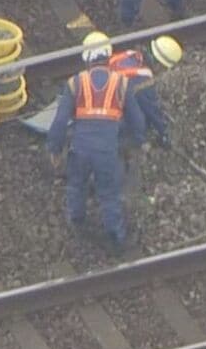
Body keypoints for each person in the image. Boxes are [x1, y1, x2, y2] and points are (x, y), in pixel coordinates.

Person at [47, 31, 146, 254]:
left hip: (80, 148)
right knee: (109, 193)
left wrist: (54, 148)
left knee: (77, 185)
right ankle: (116, 237)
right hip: (106, 151)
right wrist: (137, 142)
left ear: (86, 58)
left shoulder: (75, 83)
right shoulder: (122, 82)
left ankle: (77, 221)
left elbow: (61, 121)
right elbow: (137, 119)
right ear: (108, 56)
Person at [108, 35, 184, 149]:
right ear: (159, 64)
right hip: (105, 117)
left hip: (92, 98)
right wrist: (164, 133)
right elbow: (151, 109)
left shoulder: (130, 55)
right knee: (140, 124)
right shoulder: (142, 79)